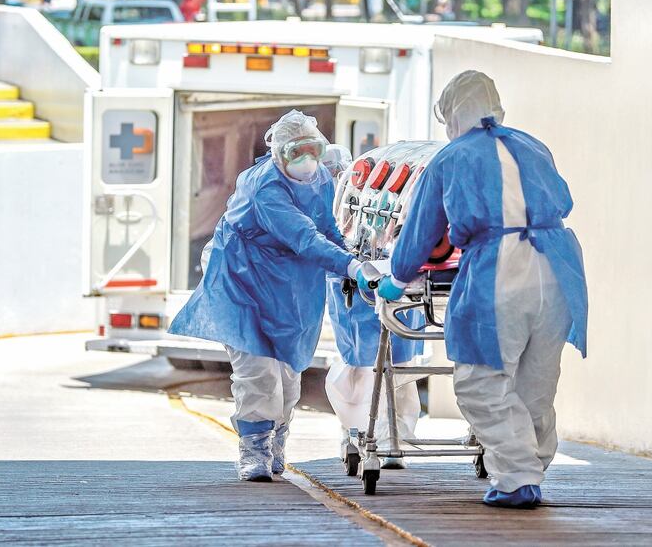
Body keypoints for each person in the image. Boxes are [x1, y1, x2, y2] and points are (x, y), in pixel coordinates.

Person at [376, 71, 587, 508]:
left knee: (480, 380)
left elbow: (420, 232)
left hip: (501, 270)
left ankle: (516, 477)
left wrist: (395, 280)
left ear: (452, 113)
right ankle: (531, 466)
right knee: (537, 380)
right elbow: (561, 198)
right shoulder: (532, 145)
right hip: (561, 265)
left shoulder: (450, 159)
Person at [169, 111, 361, 482]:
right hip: (244, 280)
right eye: (297, 152)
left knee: (289, 371)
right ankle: (254, 449)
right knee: (258, 370)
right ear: (279, 154)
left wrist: (351, 257)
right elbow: (304, 237)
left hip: (290, 285)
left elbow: (327, 228)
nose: (307, 159)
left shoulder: (320, 178)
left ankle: (277, 442)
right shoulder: (265, 188)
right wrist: (350, 268)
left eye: (313, 149)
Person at [321, 145, 424, 469]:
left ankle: (390, 436)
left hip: (386, 283)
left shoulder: (371, 198)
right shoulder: (327, 204)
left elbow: (395, 237)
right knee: (362, 368)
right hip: (354, 288)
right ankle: (362, 433)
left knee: (394, 371)